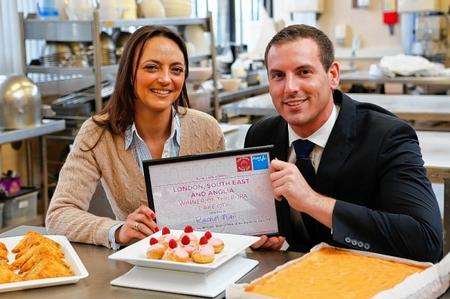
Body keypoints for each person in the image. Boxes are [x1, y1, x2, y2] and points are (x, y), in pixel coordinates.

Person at [245, 24, 442, 262]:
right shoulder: (260, 135)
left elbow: (426, 241)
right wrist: (263, 235)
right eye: (278, 75)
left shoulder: (387, 136)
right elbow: (264, 221)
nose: (290, 88)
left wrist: (311, 202)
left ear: (333, 75)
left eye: (304, 72)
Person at [46, 26, 224, 249]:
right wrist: (118, 230)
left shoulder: (207, 129)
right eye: (152, 68)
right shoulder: (97, 133)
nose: (166, 79)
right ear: (130, 73)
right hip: (136, 266)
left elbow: (223, 209)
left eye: (176, 70)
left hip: (203, 260)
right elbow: (59, 215)